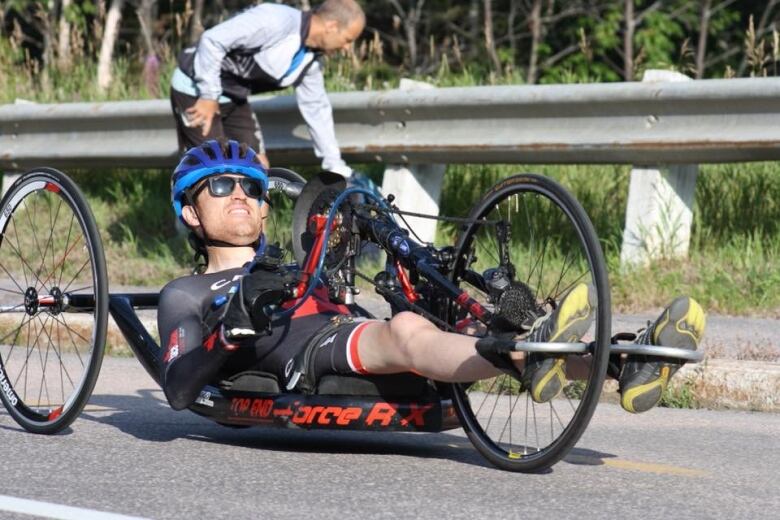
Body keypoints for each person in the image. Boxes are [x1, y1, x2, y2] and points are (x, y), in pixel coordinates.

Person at [158, 139, 706, 416]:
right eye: (222, 186)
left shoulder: (292, 261)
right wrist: (230, 328)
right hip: (308, 352)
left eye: (252, 189)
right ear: (190, 212)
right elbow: (180, 387)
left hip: (344, 325)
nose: (240, 197)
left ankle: (624, 359)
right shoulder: (186, 293)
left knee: (461, 318)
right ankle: (527, 352)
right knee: (405, 333)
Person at [169, 0, 364, 175]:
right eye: (348, 40)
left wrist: (334, 164)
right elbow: (212, 40)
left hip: (233, 96)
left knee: (259, 168)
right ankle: (188, 214)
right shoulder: (276, 21)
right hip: (195, 90)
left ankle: (258, 215)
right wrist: (209, 95)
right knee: (213, 170)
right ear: (332, 26)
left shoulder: (310, 60)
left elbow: (317, 109)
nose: (347, 48)